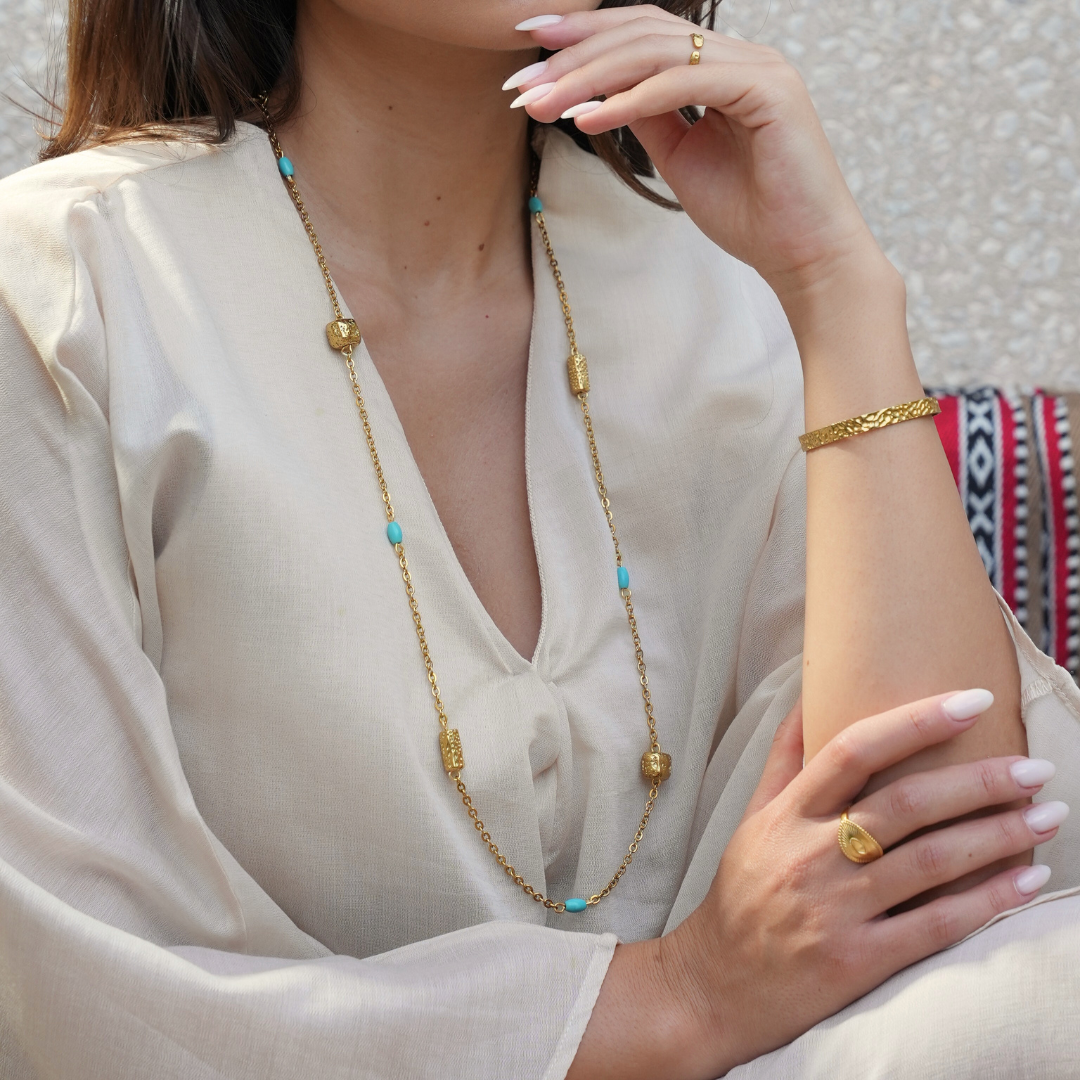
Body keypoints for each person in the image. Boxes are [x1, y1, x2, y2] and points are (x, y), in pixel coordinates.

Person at [1, 1, 1078, 1076]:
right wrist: (689, 994)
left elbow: (949, 872)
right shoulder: (68, 294)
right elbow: (71, 994)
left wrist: (837, 290)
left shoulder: (719, 284)